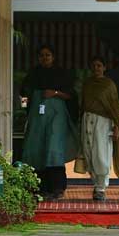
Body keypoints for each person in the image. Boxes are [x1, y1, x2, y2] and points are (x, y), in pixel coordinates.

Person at [21, 44, 78, 200]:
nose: (44, 58)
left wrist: (55, 93)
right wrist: (25, 108)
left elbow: (70, 96)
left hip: (55, 117)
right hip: (37, 117)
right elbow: (23, 95)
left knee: (53, 150)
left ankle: (58, 188)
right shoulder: (33, 73)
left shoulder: (61, 74)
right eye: (42, 55)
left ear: (53, 57)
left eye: (48, 55)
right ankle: (40, 188)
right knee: (37, 149)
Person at [81, 56, 119, 201]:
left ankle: (101, 187)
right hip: (87, 120)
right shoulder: (87, 84)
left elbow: (114, 107)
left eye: (99, 65)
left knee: (101, 154)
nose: (96, 68)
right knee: (89, 153)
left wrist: (117, 126)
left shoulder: (109, 85)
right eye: (94, 65)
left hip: (104, 122)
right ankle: (96, 185)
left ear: (104, 68)